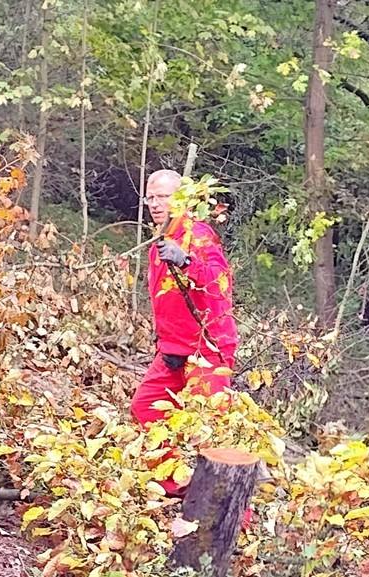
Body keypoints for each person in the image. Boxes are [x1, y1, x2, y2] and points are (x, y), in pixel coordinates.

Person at [129, 169, 238, 496]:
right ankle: (174, 486)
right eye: (150, 197)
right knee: (146, 406)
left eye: (163, 197)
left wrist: (187, 261)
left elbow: (219, 286)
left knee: (211, 431)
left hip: (207, 349)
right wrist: (165, 344)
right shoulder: (158, 244)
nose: (154, 204)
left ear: (182, 199)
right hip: (173, 350)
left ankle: (231, 512)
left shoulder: (198, 236)